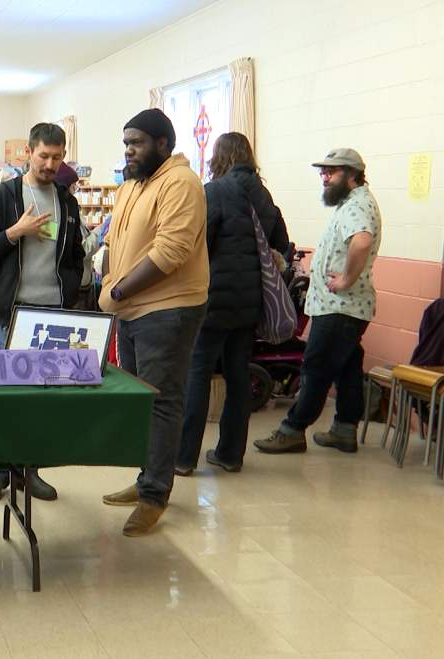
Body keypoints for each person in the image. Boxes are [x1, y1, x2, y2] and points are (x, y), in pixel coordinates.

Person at [98, 109, 208, 537]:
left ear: (163, 144)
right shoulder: (131, 185)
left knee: (161, 401)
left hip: (168, 310)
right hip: (129, 310)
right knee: (140, 399)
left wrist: (120, 291)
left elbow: (171, 252)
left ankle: (155, 495)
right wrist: (108, 283)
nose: (129, 150)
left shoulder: (182, 183)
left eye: (137, 142)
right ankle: (147, 478)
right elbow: (111, 241)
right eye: (126, 142)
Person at [0, 122, 86, 506]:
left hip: (52, 315)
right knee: (7, 395)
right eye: (44, 156)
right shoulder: (5, 196)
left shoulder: (66, 201)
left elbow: (76, 257)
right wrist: (14, 232)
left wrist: (68, 289)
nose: (51, 163)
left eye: (58, 157)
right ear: (29, 153)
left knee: (41, 398)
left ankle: (31, 470)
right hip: (14, 314)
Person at [255, 148, 381, 456]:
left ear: (352, 175)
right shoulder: (353, 203)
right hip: (344, 307)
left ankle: (292, 430)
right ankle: (344, 429)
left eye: (332, 172)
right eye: (322, 172)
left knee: (315, 367)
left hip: (340, 307)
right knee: (348, 365)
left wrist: (347, 279)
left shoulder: (357, 205)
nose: (324, 177)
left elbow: (361, 241)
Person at [177, 133, 288, 475]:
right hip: (249, 303)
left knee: (197, 373)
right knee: (239, 376)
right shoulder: (265, 196)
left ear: (219, 157)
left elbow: (199, 246)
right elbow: (282, 246)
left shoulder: (215, 192)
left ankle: (183, 458)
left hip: (212, 301)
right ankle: (230, 455)